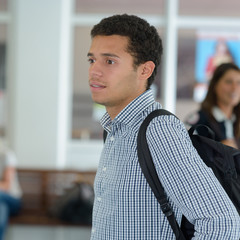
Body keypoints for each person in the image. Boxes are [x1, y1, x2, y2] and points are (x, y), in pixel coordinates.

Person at [87, 14, 240, 239]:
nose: (94, 71)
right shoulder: (116, 129)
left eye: (109, 61)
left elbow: (221, 223)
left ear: (145, 70)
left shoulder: (158, 129)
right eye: (92, 60)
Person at [186, 63, 240, 149]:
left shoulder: (236, 120)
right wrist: (217, 152)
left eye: (238, 83)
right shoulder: (199, 119)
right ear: (215, 85)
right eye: (229, 82)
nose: (235, 88)